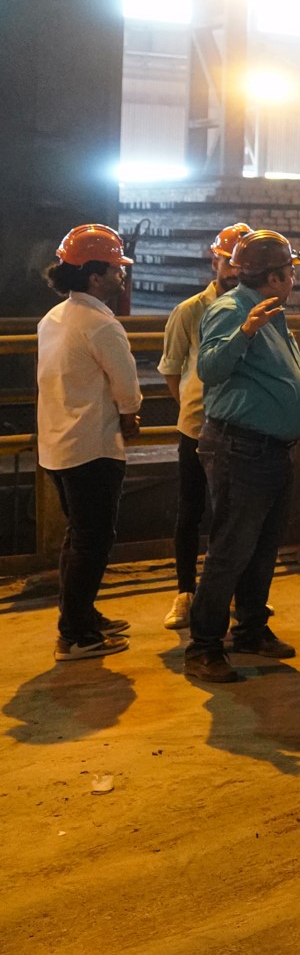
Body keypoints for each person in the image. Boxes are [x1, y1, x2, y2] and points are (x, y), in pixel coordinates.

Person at [187, 230, 300, 682]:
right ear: (275, 276)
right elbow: (210, 369)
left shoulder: (270, 312)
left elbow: (276, 373)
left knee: (262, 548)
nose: (293, 279)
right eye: (290, 272)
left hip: (271, 450)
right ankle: (203, 646)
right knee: (230, 550)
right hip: (241, 449)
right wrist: (245, 331)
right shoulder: (232, 311)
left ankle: (250, 629)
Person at [36, 225, 142, 661]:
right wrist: (130, 414)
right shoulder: (100, 324)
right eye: (116, 268)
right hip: (91, 447)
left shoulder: (53, 319)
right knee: (92, 542)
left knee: (77, 538)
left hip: (57, 446)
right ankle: (76, 634)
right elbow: (127, 387)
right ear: (95, 276)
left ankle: (80, 615)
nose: (122, 275)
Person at [158, 221, 250, 631]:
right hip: (197, 428)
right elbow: (172, 369)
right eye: (228, 262)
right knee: (191, 510)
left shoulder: (256, 309)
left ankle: (233, 594)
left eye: (241, 265)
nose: (234, 271)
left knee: (232, 516)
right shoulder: (190, 311)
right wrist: (193, 410)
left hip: (240, 428)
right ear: (215, 262)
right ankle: (185, 593)